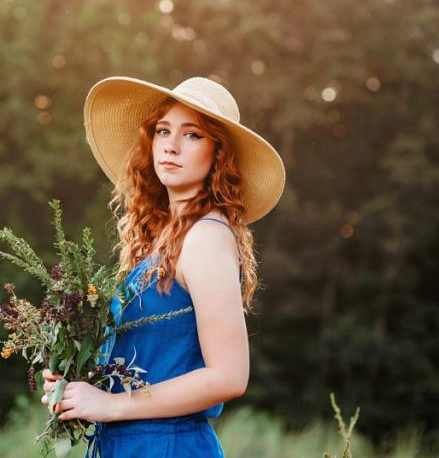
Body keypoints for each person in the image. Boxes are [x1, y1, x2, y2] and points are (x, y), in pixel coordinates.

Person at [40, 76, 286, 457]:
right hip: (127, 445)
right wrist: (79, 385)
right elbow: (149, 361)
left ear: (218, 154)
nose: (171, 145)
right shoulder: (158, 239)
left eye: (192, 135)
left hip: (169, 446)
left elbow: (230, 376)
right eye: (163, 130)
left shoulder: (205, 236)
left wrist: (112, 405)